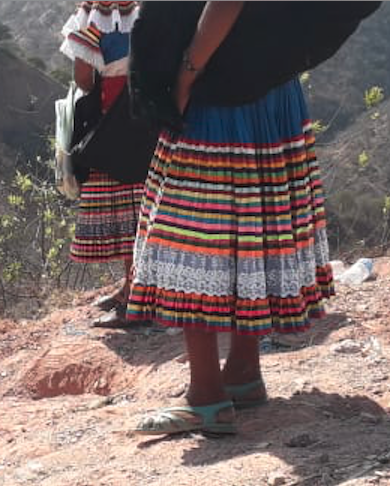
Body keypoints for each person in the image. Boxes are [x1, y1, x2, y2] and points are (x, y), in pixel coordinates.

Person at [127, 2, 335, 435]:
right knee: (252, 225)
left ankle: (206, 395)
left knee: (193, 234)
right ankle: (242, 373)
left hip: (219, 87)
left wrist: (187, 70)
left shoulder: (203, 72)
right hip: (267, 82)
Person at [60, 1, 143, 326]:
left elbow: (83, 78)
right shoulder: (145, 16)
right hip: (148, 119)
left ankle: (136, 295)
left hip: (113, 125)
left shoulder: (92, 22)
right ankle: (132, 287)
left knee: (125, 210)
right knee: (142, 207)